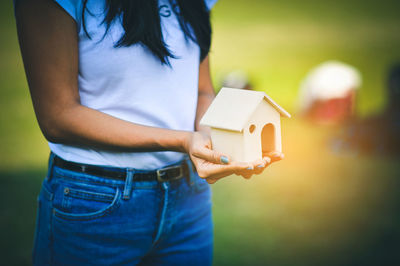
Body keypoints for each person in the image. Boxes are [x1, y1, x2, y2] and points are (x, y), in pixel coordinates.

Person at [14, 0, 283, 265]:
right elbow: (58, 117)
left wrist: (216, 143)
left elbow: (201, 90)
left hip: (188, 198)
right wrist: (183, 140)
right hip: (94, 202)